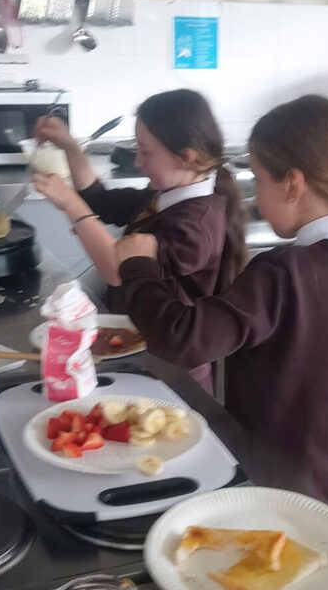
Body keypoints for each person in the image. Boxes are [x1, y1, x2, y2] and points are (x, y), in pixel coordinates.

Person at [113, 95, 328, 528]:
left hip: (281, 488)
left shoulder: (285, 271)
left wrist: (139, 268)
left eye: (257, 179)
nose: (255, 194)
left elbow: (184, 339)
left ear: (292, 184)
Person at [34, 89, 246, 390]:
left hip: (172, 374)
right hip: (139, 351)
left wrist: (71, 205)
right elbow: (100, 200)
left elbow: (118, 270)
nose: (137, 161)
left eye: (146, 152)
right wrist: (69, 146)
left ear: (186, 158)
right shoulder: (167, 196)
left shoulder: (195, 226)